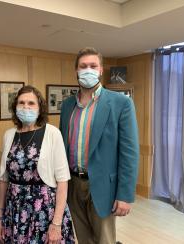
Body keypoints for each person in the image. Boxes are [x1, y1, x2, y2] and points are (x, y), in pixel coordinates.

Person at [59, 47, 139, 244]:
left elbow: (129, 152)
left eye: (93, 66)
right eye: (83, 66)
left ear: (101, 70)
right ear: (76, 71)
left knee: (104, 240)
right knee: (83, 239)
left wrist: (125, 195)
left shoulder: (120, 103)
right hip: (73, 185)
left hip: (103, 186)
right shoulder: (67, 105)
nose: (88, 70)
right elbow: (62, 146)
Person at [0, 85, 75, 243]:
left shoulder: (52, 133)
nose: (26, 107)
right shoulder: (9, 135)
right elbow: (4, 179)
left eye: (31, 103)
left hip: (44, 210)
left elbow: (62, 181)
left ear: (40, 108)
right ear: (15, 107)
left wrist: (57, 223)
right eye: (21, 102)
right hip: (14, 210)